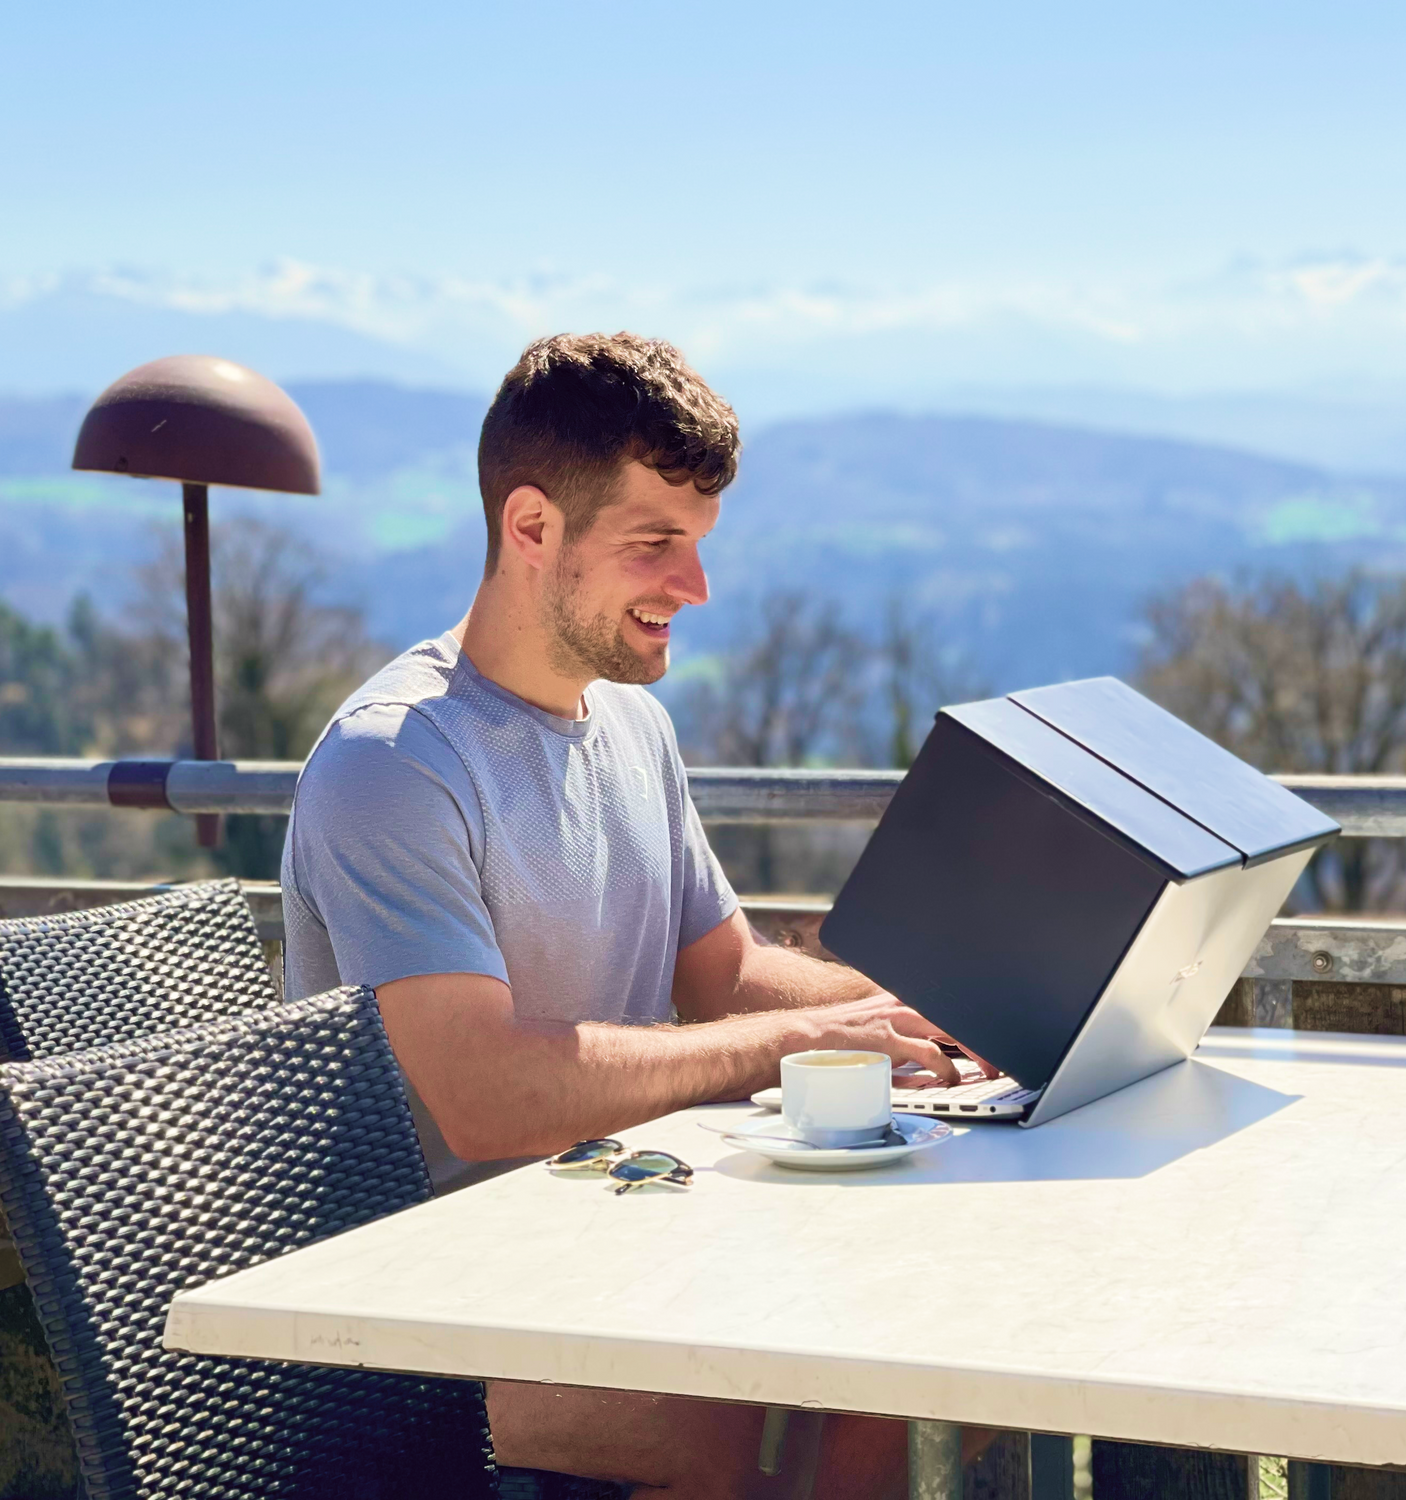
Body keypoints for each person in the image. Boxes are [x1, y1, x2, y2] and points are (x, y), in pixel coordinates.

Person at [281, 332, 985, 1499]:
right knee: (761, 1380)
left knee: (930, 1351)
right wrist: (787, 1044)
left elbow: (726, 978)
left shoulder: (630, 725)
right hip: (428, 1317)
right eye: (655, 544)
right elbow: (486, 1094)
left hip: (610, 1235)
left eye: (699, 546)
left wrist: (937, 1015)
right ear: (531, 529)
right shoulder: (393, 763)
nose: (694, 587)